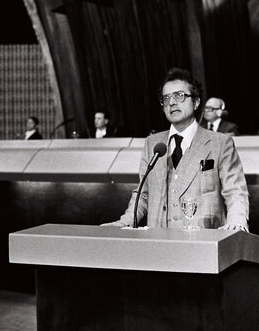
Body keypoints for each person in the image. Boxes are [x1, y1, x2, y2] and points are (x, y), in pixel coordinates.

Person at [102, 68, 249, 231]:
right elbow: (143, 193)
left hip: (204, 244)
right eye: (166, 98)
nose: (172, 102)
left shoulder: (220, 143)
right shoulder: (153, 143)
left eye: (179, 96)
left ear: (196, 102)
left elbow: (235, 191)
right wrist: (125, 221)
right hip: (159, 245)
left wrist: (237, 222)